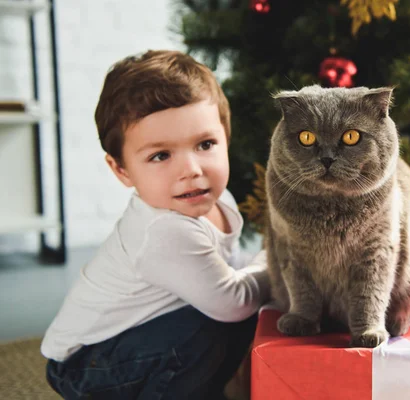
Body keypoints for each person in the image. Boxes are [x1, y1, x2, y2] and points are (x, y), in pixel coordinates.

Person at [41, 50, 270, 400]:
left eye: (205, 144)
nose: (192, 169)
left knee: (232, 322)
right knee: (210, 327)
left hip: (137, 342)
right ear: (121, 170)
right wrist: (278, 261)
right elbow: (233, 300)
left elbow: (231, 270)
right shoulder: (164, 229)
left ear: (226, 137)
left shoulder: (213, 198)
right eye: (161, 155)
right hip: (88, 364)